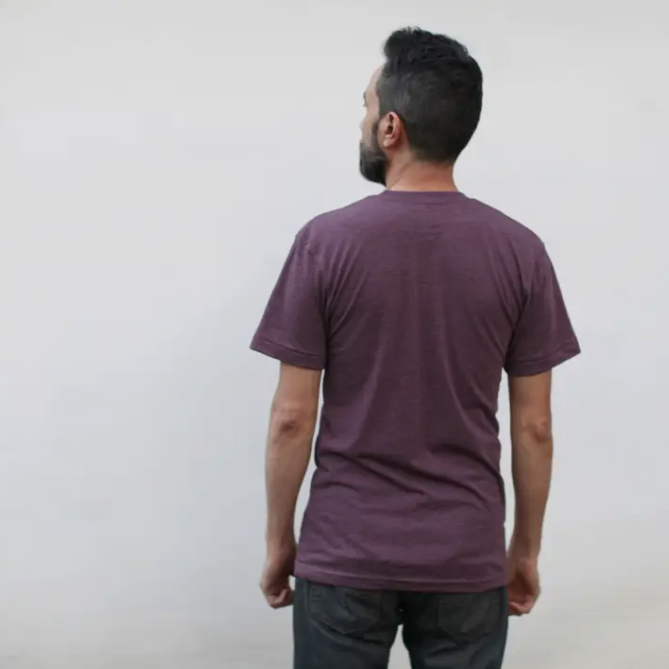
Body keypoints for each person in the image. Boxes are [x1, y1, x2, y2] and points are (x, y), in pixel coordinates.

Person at [250, 26, 580, 669]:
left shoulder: (325, 244)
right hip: (466, 556)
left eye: (367, 106)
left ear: (391, 128)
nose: (362, 120)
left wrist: (279, 541)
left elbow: (291, 417)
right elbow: (534, 426)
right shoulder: (520, 251)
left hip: (345, 551)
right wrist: (523, 550)